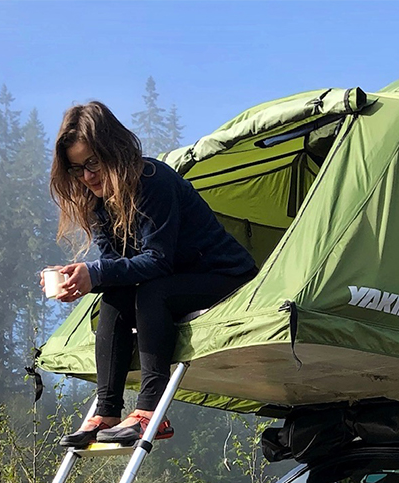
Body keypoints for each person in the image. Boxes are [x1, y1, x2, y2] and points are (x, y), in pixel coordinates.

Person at [44, 102, 257, 447]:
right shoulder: (97, 202)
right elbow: (115, 268)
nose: (87, 176)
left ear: (113, 150)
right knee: (116, 295)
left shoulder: (152, 181)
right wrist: (78, 279)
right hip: (175, 280)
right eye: (77, 169)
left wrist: (95, 274)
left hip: (227, 277)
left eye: (93, 162)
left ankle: (149, 412)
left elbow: (158, 261)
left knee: (152, 291)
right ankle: (108, 410)